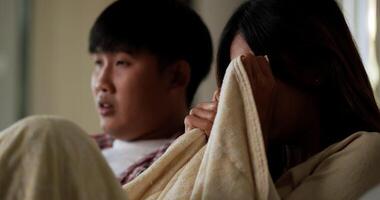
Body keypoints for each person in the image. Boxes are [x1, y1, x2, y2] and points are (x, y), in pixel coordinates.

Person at [185, 0, 380, 198]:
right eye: (233, 81)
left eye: (253, 73)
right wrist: (199, 157)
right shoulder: (276, 166)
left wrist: (239, 141)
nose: (238, 94)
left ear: (315, 67)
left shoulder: (369, 152)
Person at [88, 0, 212, 183]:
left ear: (175, 77)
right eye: (98, 63)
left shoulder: (194, 165)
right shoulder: (75, 149)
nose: (101, 83)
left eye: (121, 63)